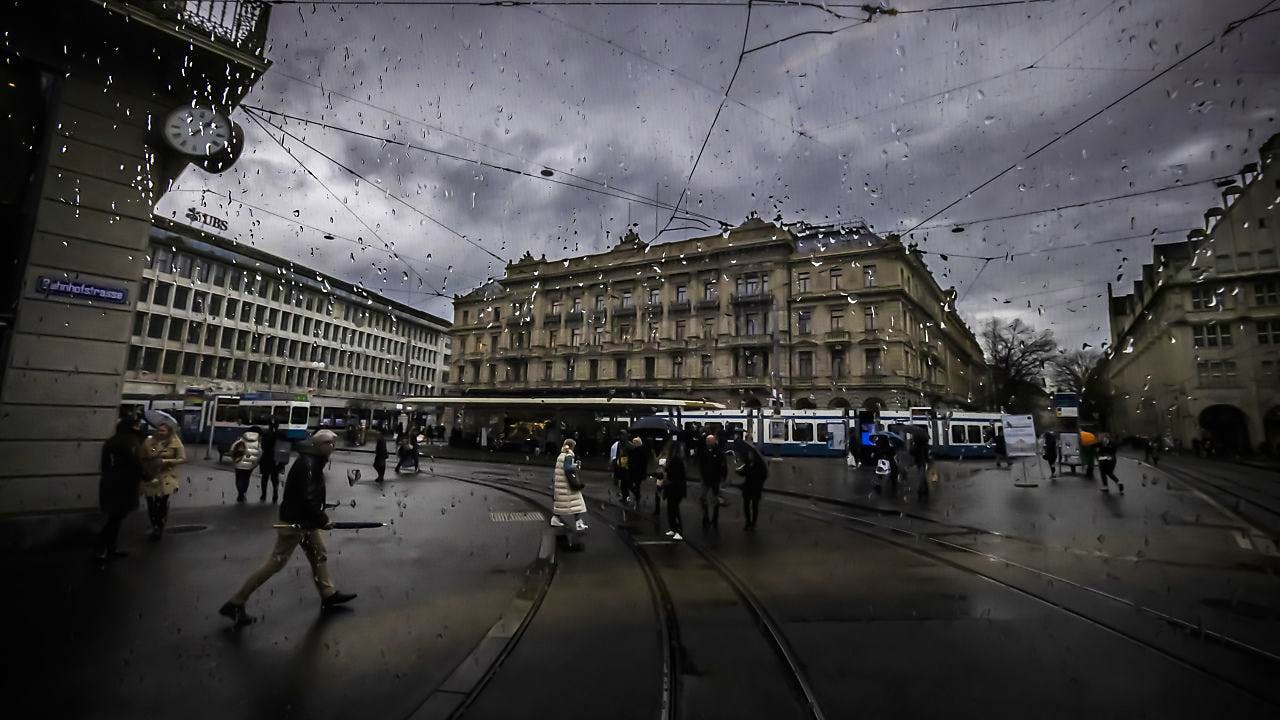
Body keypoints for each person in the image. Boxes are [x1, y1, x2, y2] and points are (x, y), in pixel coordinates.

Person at [219, 430, 357, 626]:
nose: (333, 449)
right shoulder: (309, 464)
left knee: (319, 554)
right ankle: (236, 602)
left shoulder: (311, 461)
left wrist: (318, 516)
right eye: (331, 445)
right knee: (275, 563)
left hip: (304, 522)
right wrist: (322, 519)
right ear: (322, 445)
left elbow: (309, 496)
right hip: (296, 523)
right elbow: (307, 498)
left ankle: (328, 594)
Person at [97, 416, 146, 562]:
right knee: (116, 518)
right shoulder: (130, 442)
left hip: (109, 482)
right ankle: (102, 547)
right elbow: (136, 464)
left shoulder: (112, 441)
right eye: (137, 425)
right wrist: (147, 477)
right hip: (124, 485)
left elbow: (104, 465)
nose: (139, 427)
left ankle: (109, 548)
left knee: (115, 517)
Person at [140, 417, 185, 540]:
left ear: (169, 432)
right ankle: (155, 524)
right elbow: (144, 456)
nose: (160, 433)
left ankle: (159, 526)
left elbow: (182, 458)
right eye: (159, 430)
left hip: (167, 476)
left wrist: (166, 461)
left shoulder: (175, 442)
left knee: (162, 503)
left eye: (163, 431)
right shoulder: (150, 441)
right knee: (151, 503)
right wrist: (155, 453)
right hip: (151, 475)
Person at [550, 438, 588, 550]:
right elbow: (567, 469)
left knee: (563, 502)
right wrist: (575, 467)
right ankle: (578, 523)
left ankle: (556, 518)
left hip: (560, 484)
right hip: (567, 485)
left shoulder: (561, 455)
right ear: (572, 447)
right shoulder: (569, 455)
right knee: (576, 502)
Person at [733, 436, 768, 531]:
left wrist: (742, 472)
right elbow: (746, 473)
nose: (749, 455)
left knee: (752, 506)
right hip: (751, 488)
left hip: (753, 487)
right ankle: (750, 523)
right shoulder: (752, 463)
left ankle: (751, 523)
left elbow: (750, 473)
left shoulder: (756, 465)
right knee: (749, 505)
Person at [697, 434, 727, 528]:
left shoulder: (719, 452)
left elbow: (723, 466)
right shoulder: (703, 452)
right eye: (707, 441)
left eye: (709, 441)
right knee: (703, 498)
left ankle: (714, 518)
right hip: (706, 478)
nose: (708, 443)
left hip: (715, 479)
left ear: (713, 442)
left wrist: (723, 476)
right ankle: (706, 517)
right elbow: (701, 465)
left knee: (715, 499)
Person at [660, 440, 687, 540]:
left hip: (675, 488)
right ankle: (673, 528)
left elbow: (676, 475)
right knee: (671, 509)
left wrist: (666, 470)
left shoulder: (676, 460)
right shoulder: (673, 460)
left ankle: (678, 530)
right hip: (673, 488)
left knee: (674, 509)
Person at [230, 427, 263, 503]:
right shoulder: (257, 442)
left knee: (238, 478)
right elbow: (260, 453)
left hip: (239, 462)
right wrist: (256, 463)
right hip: (250, 463)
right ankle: (243, 493)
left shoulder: (240, 440)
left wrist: (234, 460)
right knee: (246, 478)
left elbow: (232, 449)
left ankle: (240, 493)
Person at [625, 436, 650, 509]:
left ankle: (637, 496)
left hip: (637, 471)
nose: (633, 444)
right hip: (635, 471)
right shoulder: (633, 451)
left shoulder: (640, 452)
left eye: (634, 443)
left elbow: (644, 463)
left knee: (635, 484)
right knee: (633, 484)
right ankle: (637, 495)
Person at [259, 423, 282, 503]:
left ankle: (263, 495)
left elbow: (262, 446)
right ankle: (275, 495)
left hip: (266, 458)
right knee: (275, 478)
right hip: (275, 459)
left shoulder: (265, 434)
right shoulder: (279, 435)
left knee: (265, 477)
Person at [910, 431, 931, 497]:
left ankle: (920, 490)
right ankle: (925, 489)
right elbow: (926, 454)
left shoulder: (915, 446)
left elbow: (911, 453)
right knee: (922, 475)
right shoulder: (924, 445)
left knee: (921, 476)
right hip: (923, 462)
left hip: (919, 462)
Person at [609, 431, 628, 499]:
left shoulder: (626, 444)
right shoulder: (616, 445)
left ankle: (623, 493)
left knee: (622, 478)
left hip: (623, 463)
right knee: (619, 477)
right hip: (618, 463)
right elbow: (613, 456)